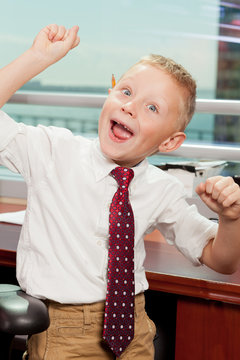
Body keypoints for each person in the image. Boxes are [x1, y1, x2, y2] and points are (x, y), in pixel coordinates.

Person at [0, 24, 240, 360]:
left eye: (151, 107)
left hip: (135, 329)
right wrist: (36, 58)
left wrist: (231, 219)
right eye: (125, 92)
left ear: (170, 142)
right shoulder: (54, 151)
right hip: (64, 332)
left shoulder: (162, 188)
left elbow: (222, 259)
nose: (130, 106)